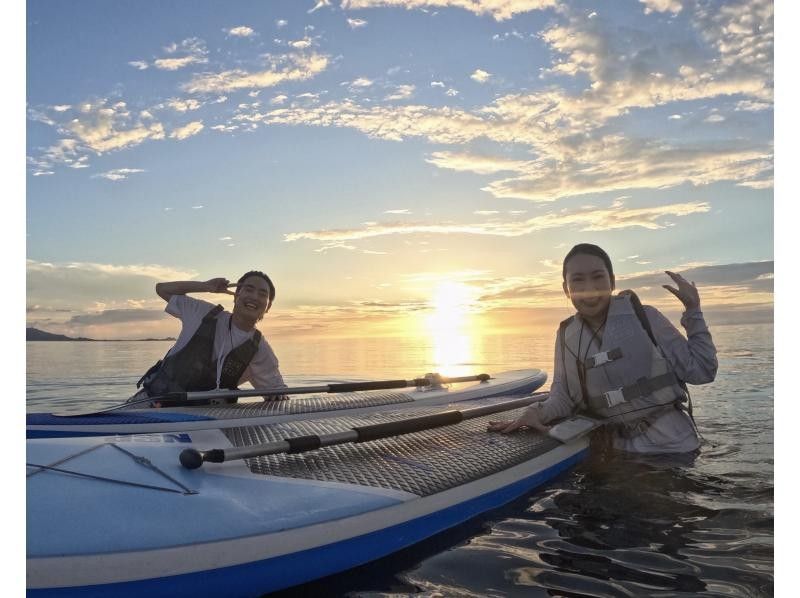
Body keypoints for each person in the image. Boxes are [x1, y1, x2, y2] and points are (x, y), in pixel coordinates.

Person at [488, 244, 717, 454]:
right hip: (615, 453)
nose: (589, 289)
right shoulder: (566, 335)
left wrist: (693, 310)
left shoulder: (645, 317)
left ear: (613, 281)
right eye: (578, 280)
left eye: (598, 277)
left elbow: (702, 371)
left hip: (675, 450)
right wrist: (536, 412)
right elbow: (563, 397)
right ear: (566, 289)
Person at [131, 271, 287, 406]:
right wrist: (206, 286)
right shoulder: (201, 312)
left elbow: (278, 394)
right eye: (248, 289)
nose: (254, 297)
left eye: (262, 294)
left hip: (203, 418)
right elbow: (162, 289)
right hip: (151, 403)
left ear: (268, 306)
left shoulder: (260, 349)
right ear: (236, 296)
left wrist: (278, 396)